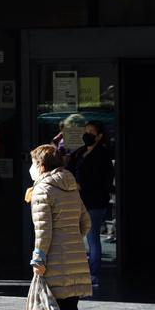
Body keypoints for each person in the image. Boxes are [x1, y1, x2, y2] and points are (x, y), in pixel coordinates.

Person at [27, 144, 92, 310]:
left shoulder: (43, 189)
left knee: (49, 309)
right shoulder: (71, 186)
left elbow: (43, 230)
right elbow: (86, 223)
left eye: (33, 163)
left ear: (41, 165)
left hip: (53, 258)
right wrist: (72, 241)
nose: (32, 168)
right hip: (74, 258)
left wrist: (39, 257)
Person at [66, 120, 115, 288]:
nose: (87, 134)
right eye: (85, 130)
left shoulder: (103, 155)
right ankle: (80, 271)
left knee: (92, 237)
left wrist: (82, 186)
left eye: (91, 132)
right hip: (78, 200)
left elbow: (102, 180)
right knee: (79, 238)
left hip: (94, 202)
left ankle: (93, 273)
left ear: (99, 136)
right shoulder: (79, 153)